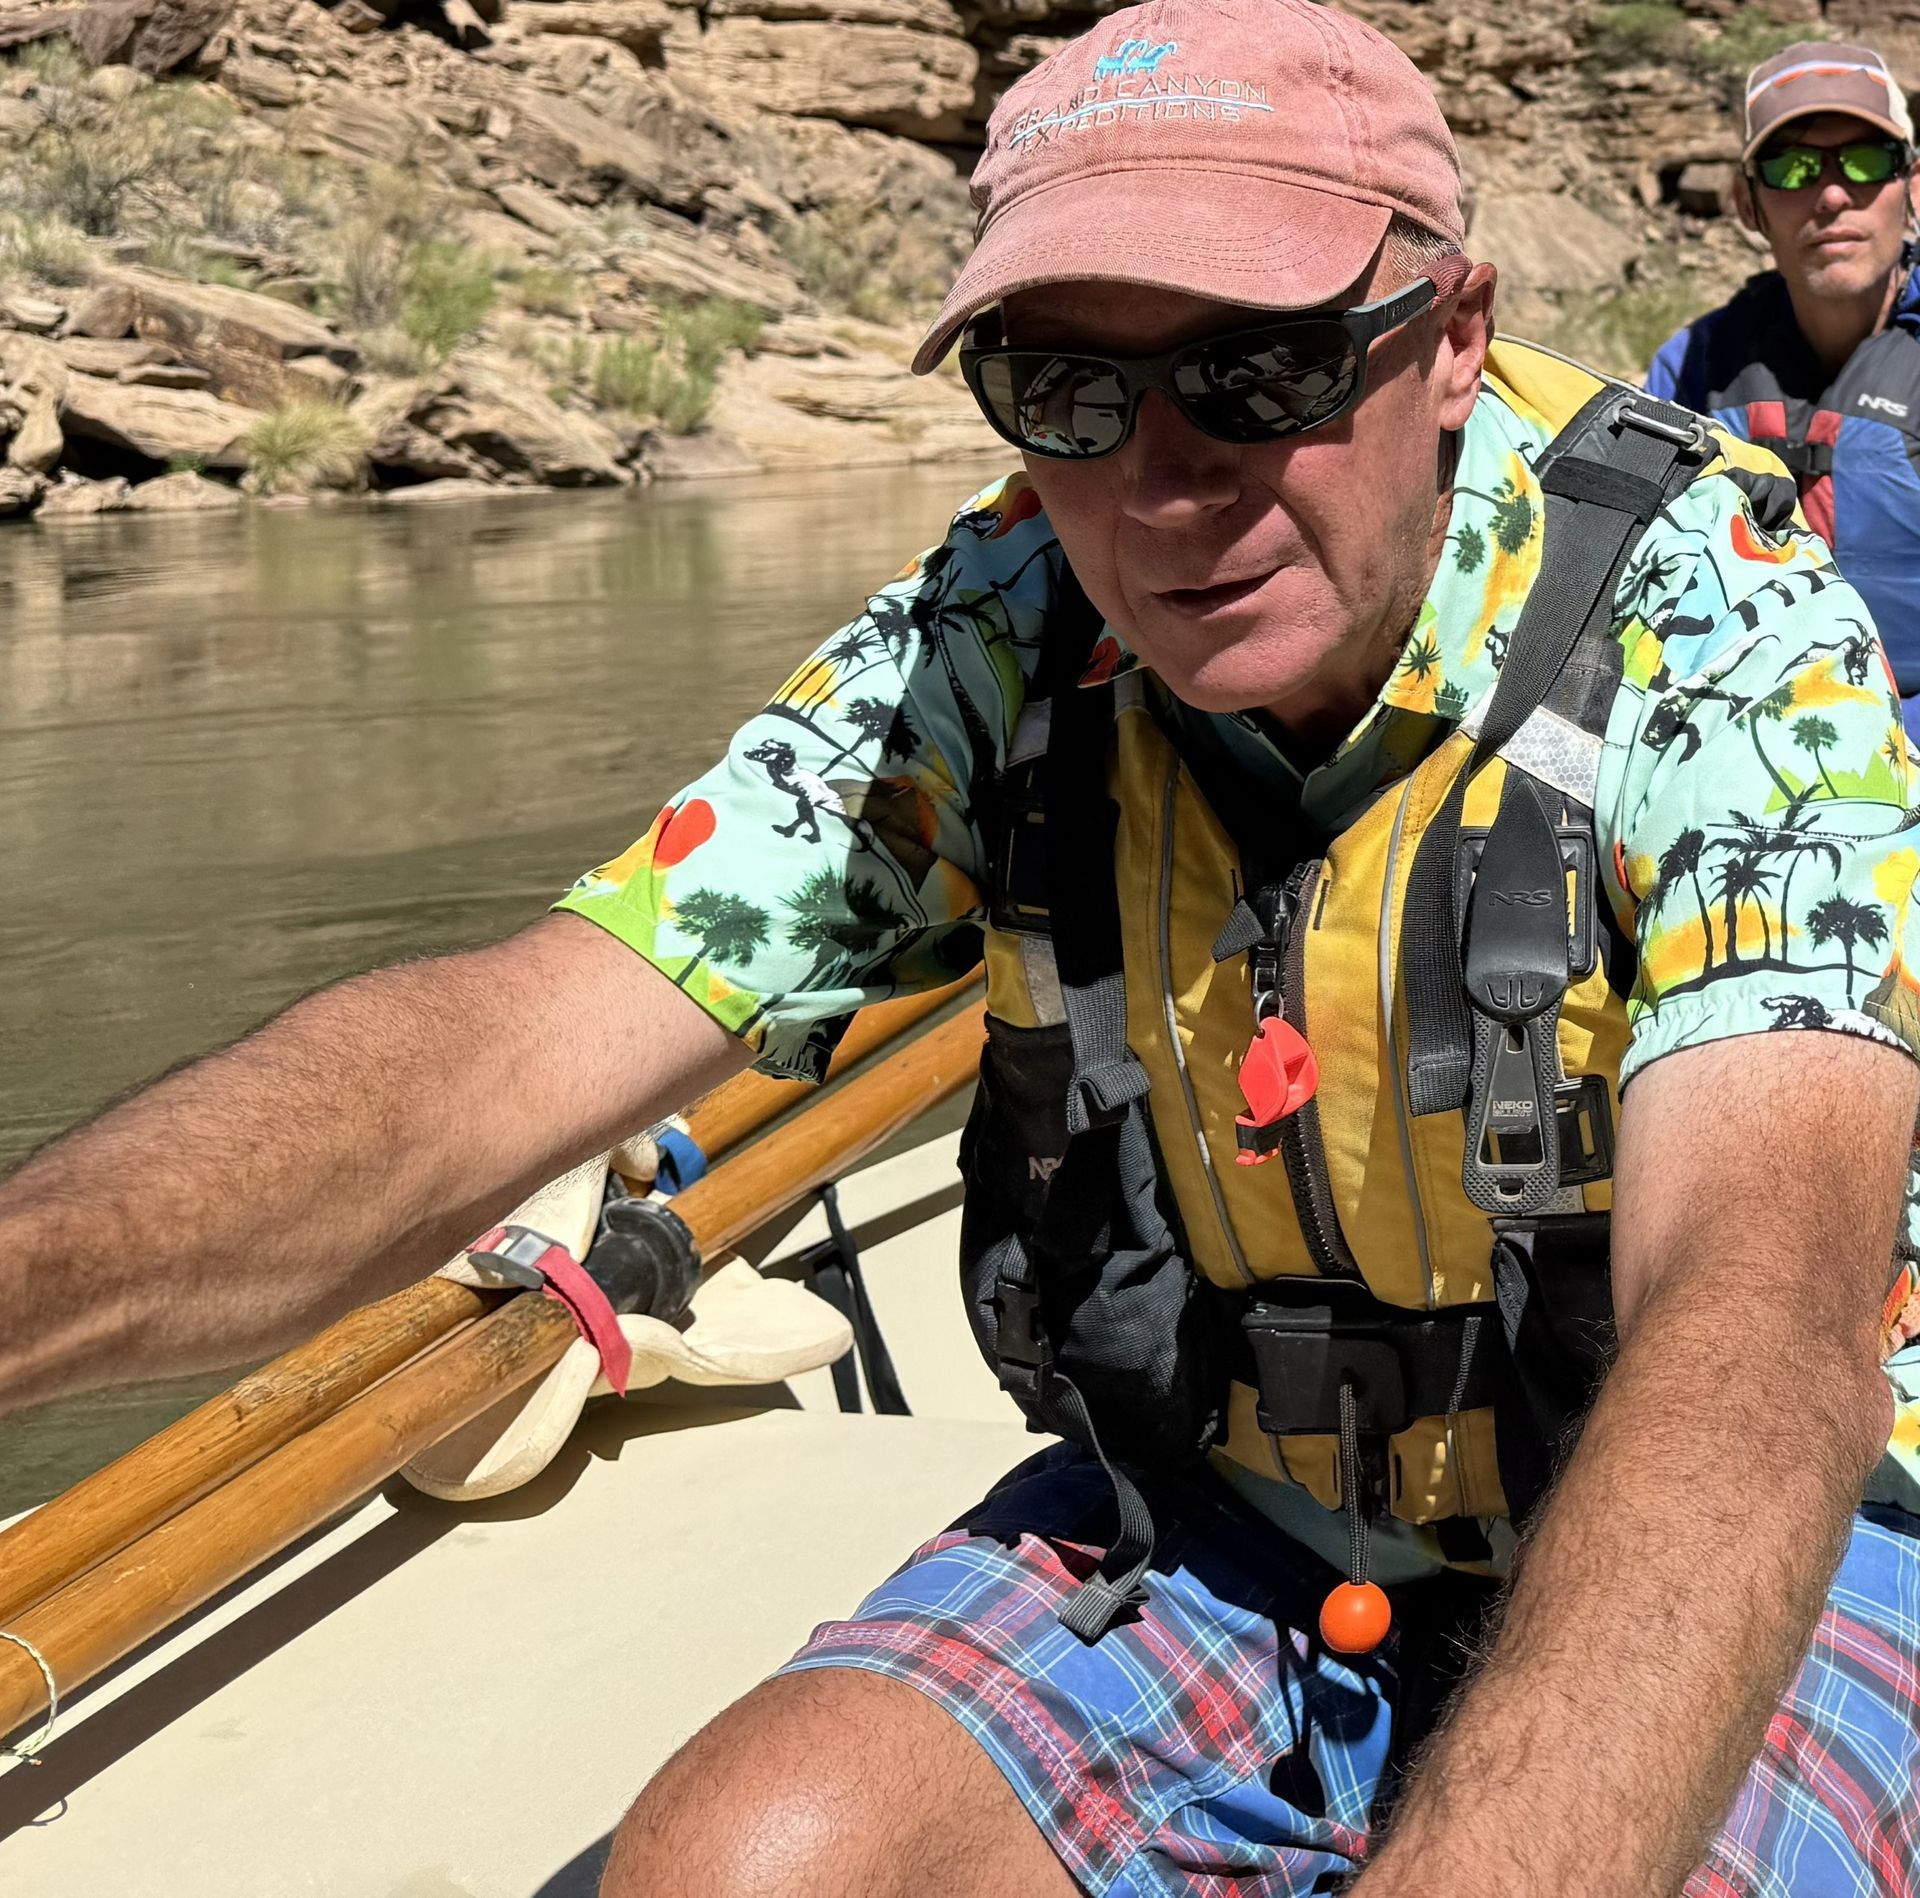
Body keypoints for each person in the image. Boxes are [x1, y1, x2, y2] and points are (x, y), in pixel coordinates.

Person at [8, 2, 1920, 1891]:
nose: (1163, 485)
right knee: (742, 1862)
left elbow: (1766, 1309)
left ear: (1453, 340)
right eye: (1070, 390)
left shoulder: (1732, 640)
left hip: (1770, 1522)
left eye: (1261, 373)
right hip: (1241, 1514)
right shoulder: (996, 626)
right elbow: (514, 1048)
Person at [1646, 40, 1920, 735]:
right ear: (1748, 204)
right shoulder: (1694, 368)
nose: (1831, 194)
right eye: (1791, 166)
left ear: (1913, 187)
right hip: (1742, 753)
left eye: (1865, 161)